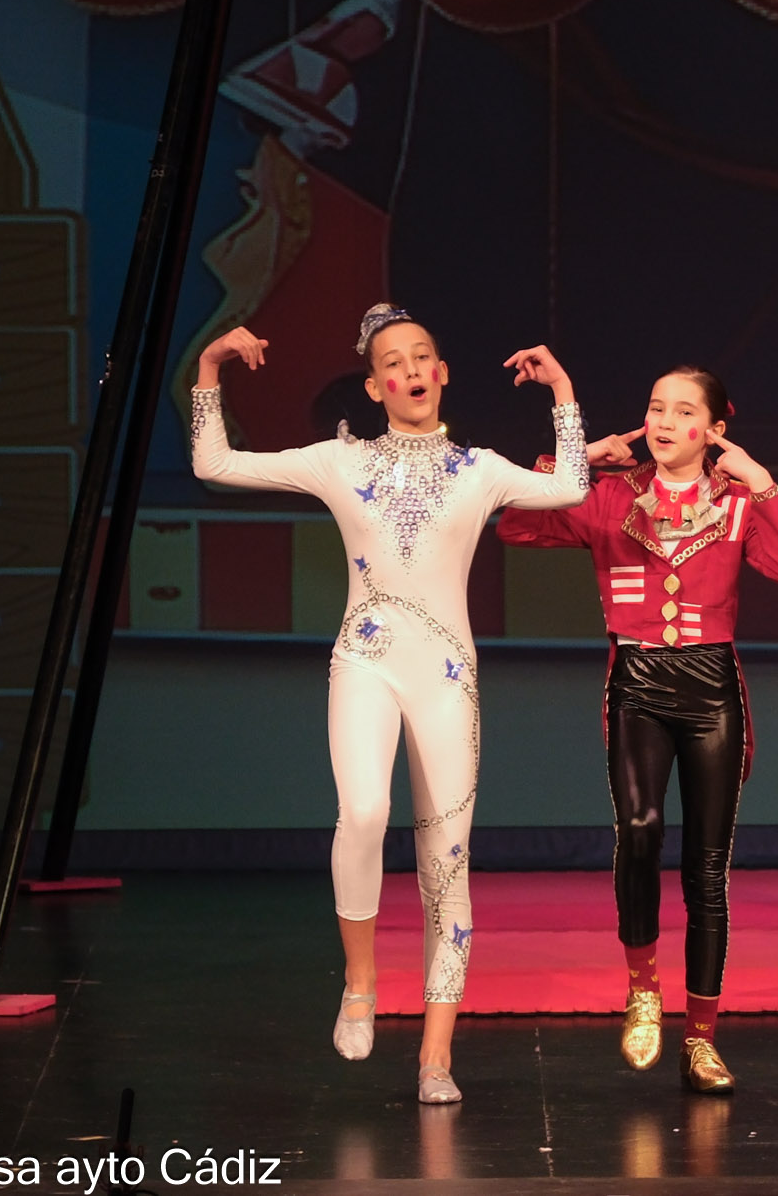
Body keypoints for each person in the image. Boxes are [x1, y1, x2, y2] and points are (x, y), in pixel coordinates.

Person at [191, 304, 588, 1106]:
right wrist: (208, 371)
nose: (410, 369)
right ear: (375, 386)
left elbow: (571, 485)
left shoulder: (480, 469)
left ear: (441, 374)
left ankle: (436, 1059)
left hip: (446, 673)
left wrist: (564, 395)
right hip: (366, 659)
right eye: (393, 362)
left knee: (447, 864)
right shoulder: (338, 461)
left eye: (423, 356)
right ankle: (361, 980)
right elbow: (215, 465)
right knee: (365, 811)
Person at [495, 365, 778, 1093]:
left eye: (682, 411)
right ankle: (642, 988)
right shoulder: (610, 497)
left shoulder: (736, 505)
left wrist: (760, 480)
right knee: (637, 828)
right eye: (653, 408)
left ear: (714, 431)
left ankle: (700, 1040)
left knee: (707, 866)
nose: (663, 422)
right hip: (637, 680)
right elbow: (515, 523)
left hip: (710, 688)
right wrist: (567, 464)